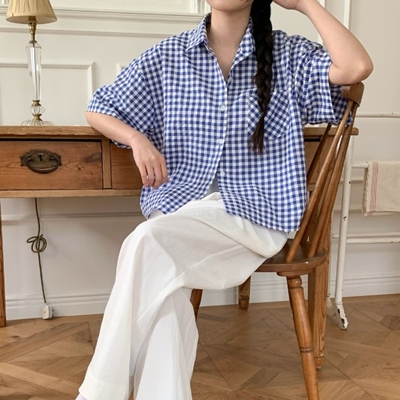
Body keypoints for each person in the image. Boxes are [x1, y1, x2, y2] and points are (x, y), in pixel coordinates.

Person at [76, 0, 373, 399]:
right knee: (161, 286)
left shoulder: (287, 55)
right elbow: (99, 108)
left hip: (256, 215)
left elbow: (356, 67)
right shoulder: (169, 56)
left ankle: (97, 394)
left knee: (146, 243)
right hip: (180, 212)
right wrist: (137, 139)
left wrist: (304, 3)